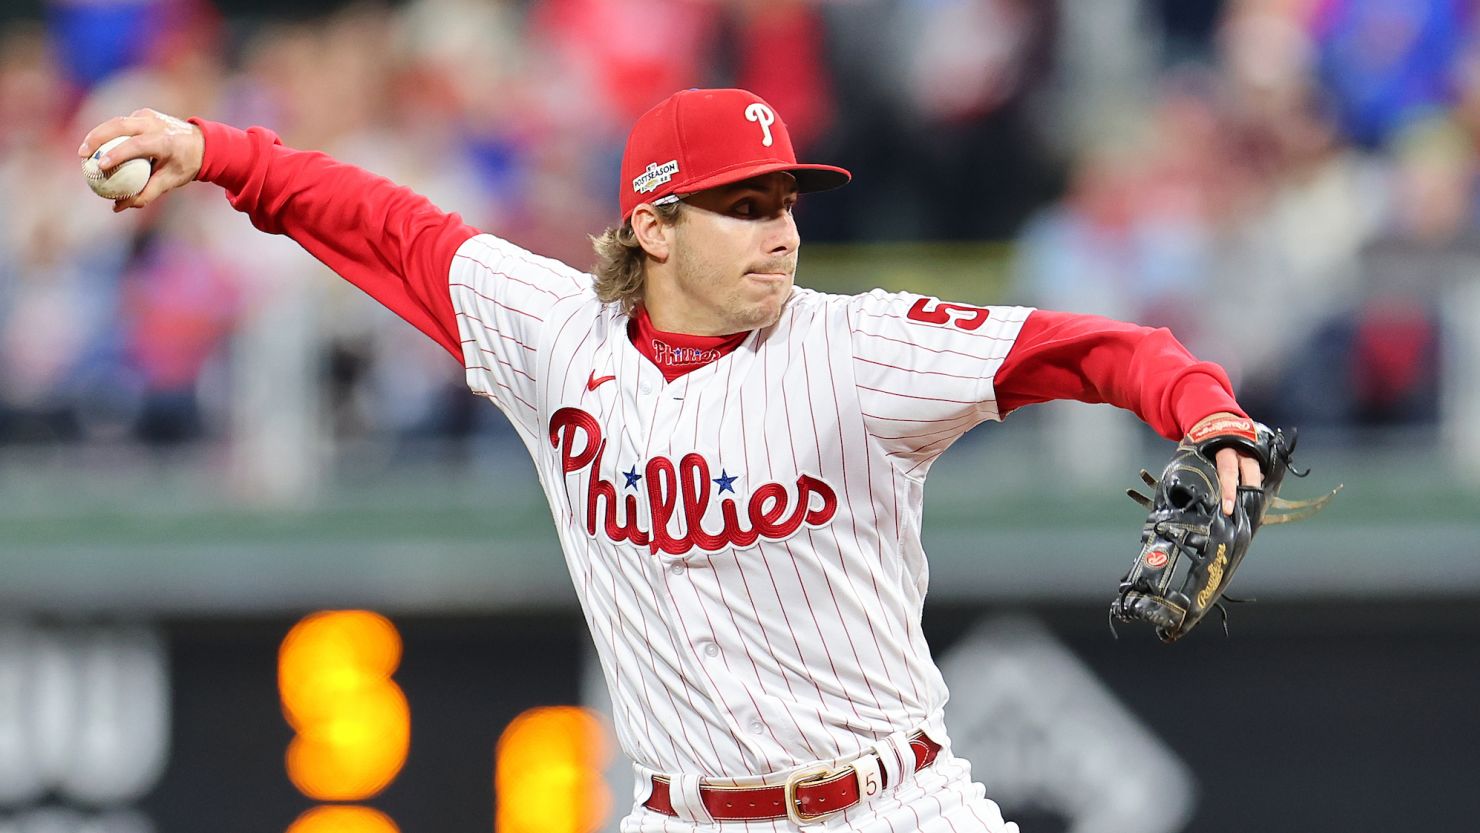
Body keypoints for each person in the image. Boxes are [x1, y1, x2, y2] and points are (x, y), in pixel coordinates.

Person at [80, 89, 1263, 832]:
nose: (781, 228)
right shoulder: (553, 334)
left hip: (892, 803)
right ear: (651, 226)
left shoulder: (859, 347)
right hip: (680, 811)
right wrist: (218, 150)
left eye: (786, 199)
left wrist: (1207, 415)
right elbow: (388, 227)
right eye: (741, 205)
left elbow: (1092, 346)